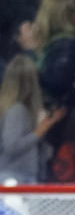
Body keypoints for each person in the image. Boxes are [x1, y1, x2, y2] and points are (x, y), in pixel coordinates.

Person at [0, 55, 65, 184]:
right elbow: (11, 146)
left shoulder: (20, 109)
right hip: (14, 177)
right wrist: (39, 131)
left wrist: (46, 125)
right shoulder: (16, 110)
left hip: (24, 175)